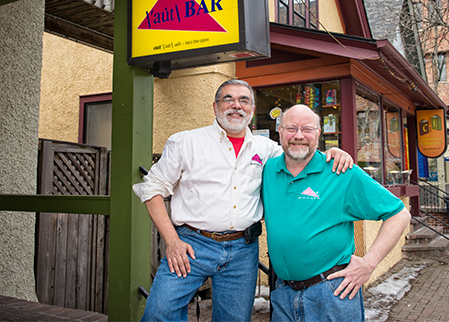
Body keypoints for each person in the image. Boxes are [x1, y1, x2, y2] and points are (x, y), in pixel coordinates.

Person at [133, 79, 353, 322]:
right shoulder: (186, 142)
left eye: (244, 100)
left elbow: (299, 154)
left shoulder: (268, 149)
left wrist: (332, 154)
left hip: (242, 250)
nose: (236, 106)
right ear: (215, 107)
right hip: (191, 245)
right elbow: (152, 188)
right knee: (158, 313)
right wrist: (172, 241)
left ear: (251, 108)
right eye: (228, 99)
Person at [262, 104, 411, 322]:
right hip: (283, 294)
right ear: (280, 131)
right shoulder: (268, 170)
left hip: (331, 293)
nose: (299, 136)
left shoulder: (340, 172)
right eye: (292, 128)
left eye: (307, 129)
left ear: (318, 134)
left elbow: (399, 214)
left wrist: (369, 264)